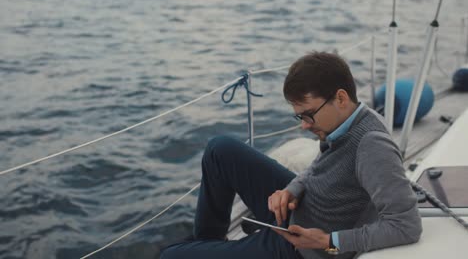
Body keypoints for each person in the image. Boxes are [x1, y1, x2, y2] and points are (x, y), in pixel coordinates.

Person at [160, 52, 422, 259]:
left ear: (340, 98)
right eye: (299, 117)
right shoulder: (350, 118)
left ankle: (205, 250)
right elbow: (319, 168)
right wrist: (291, 189)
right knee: (220, 149)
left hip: (301, 247)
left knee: (171, 256)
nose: (304, 125)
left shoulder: (372, 145)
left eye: (308, 114)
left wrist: (329, 242)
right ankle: (210, 245)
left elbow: (405, 226)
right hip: (298, 208)